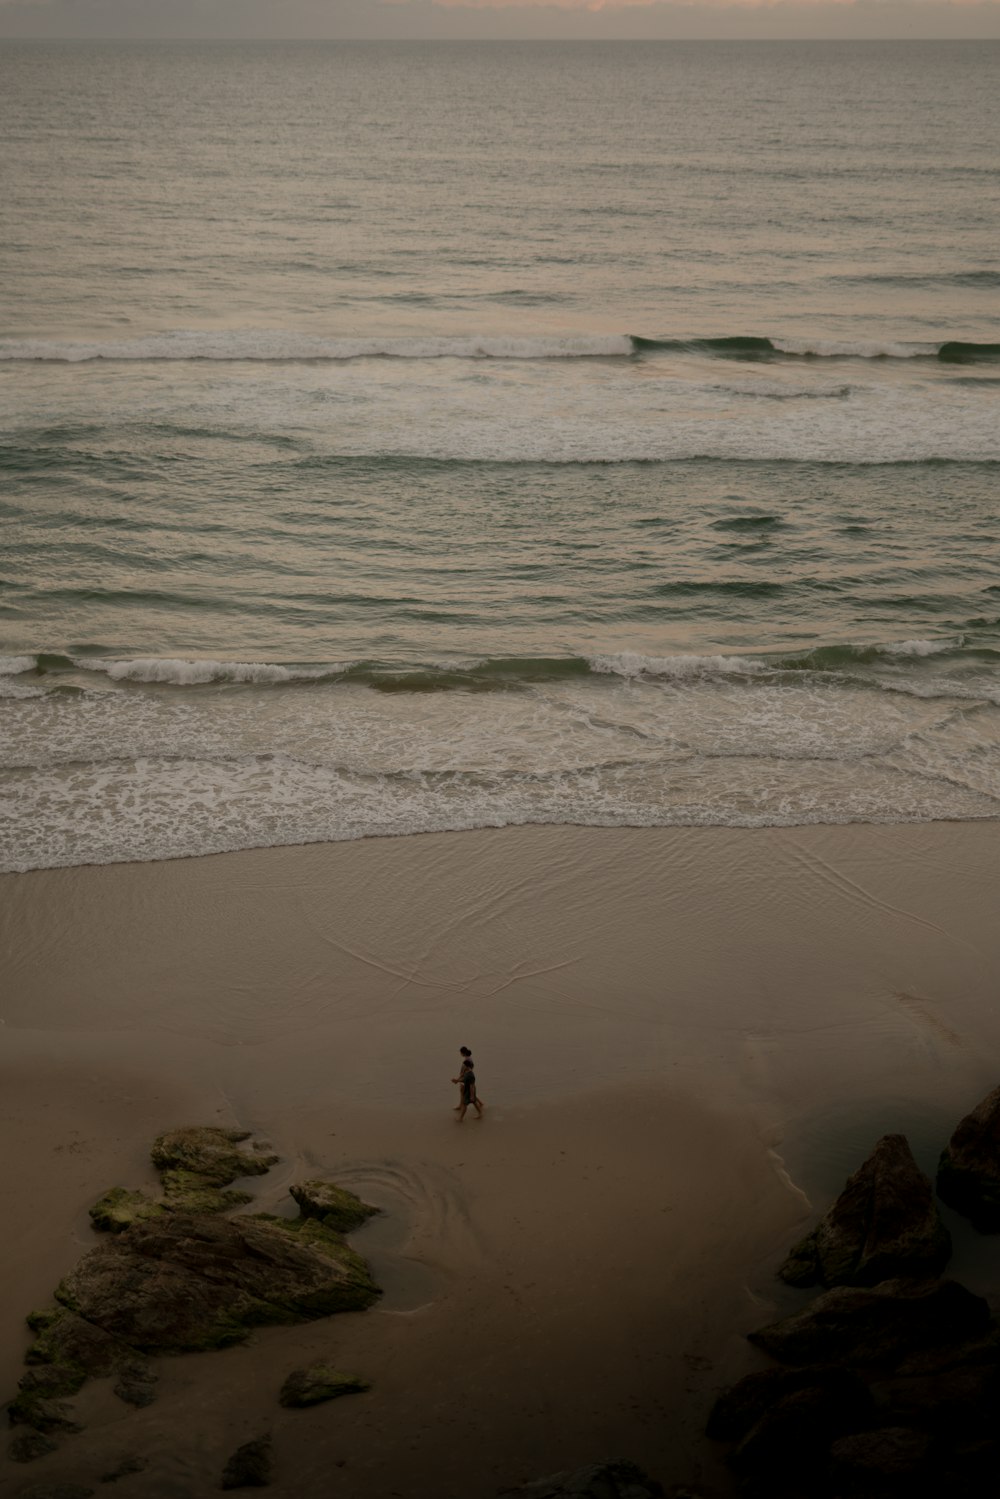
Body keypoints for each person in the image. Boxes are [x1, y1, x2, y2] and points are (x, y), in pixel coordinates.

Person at [452, 1045, 484, 1121]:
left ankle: (461, 1114)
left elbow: (463, 1074)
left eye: (460, 1052)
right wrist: (457, 1080)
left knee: (467, 1097)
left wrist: (457, 1079)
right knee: (468, 1095)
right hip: (466, 1079)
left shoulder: (466, 1062)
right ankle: (479, 1104)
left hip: (466, 1079)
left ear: (463, 1053)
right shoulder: (468, 1060)